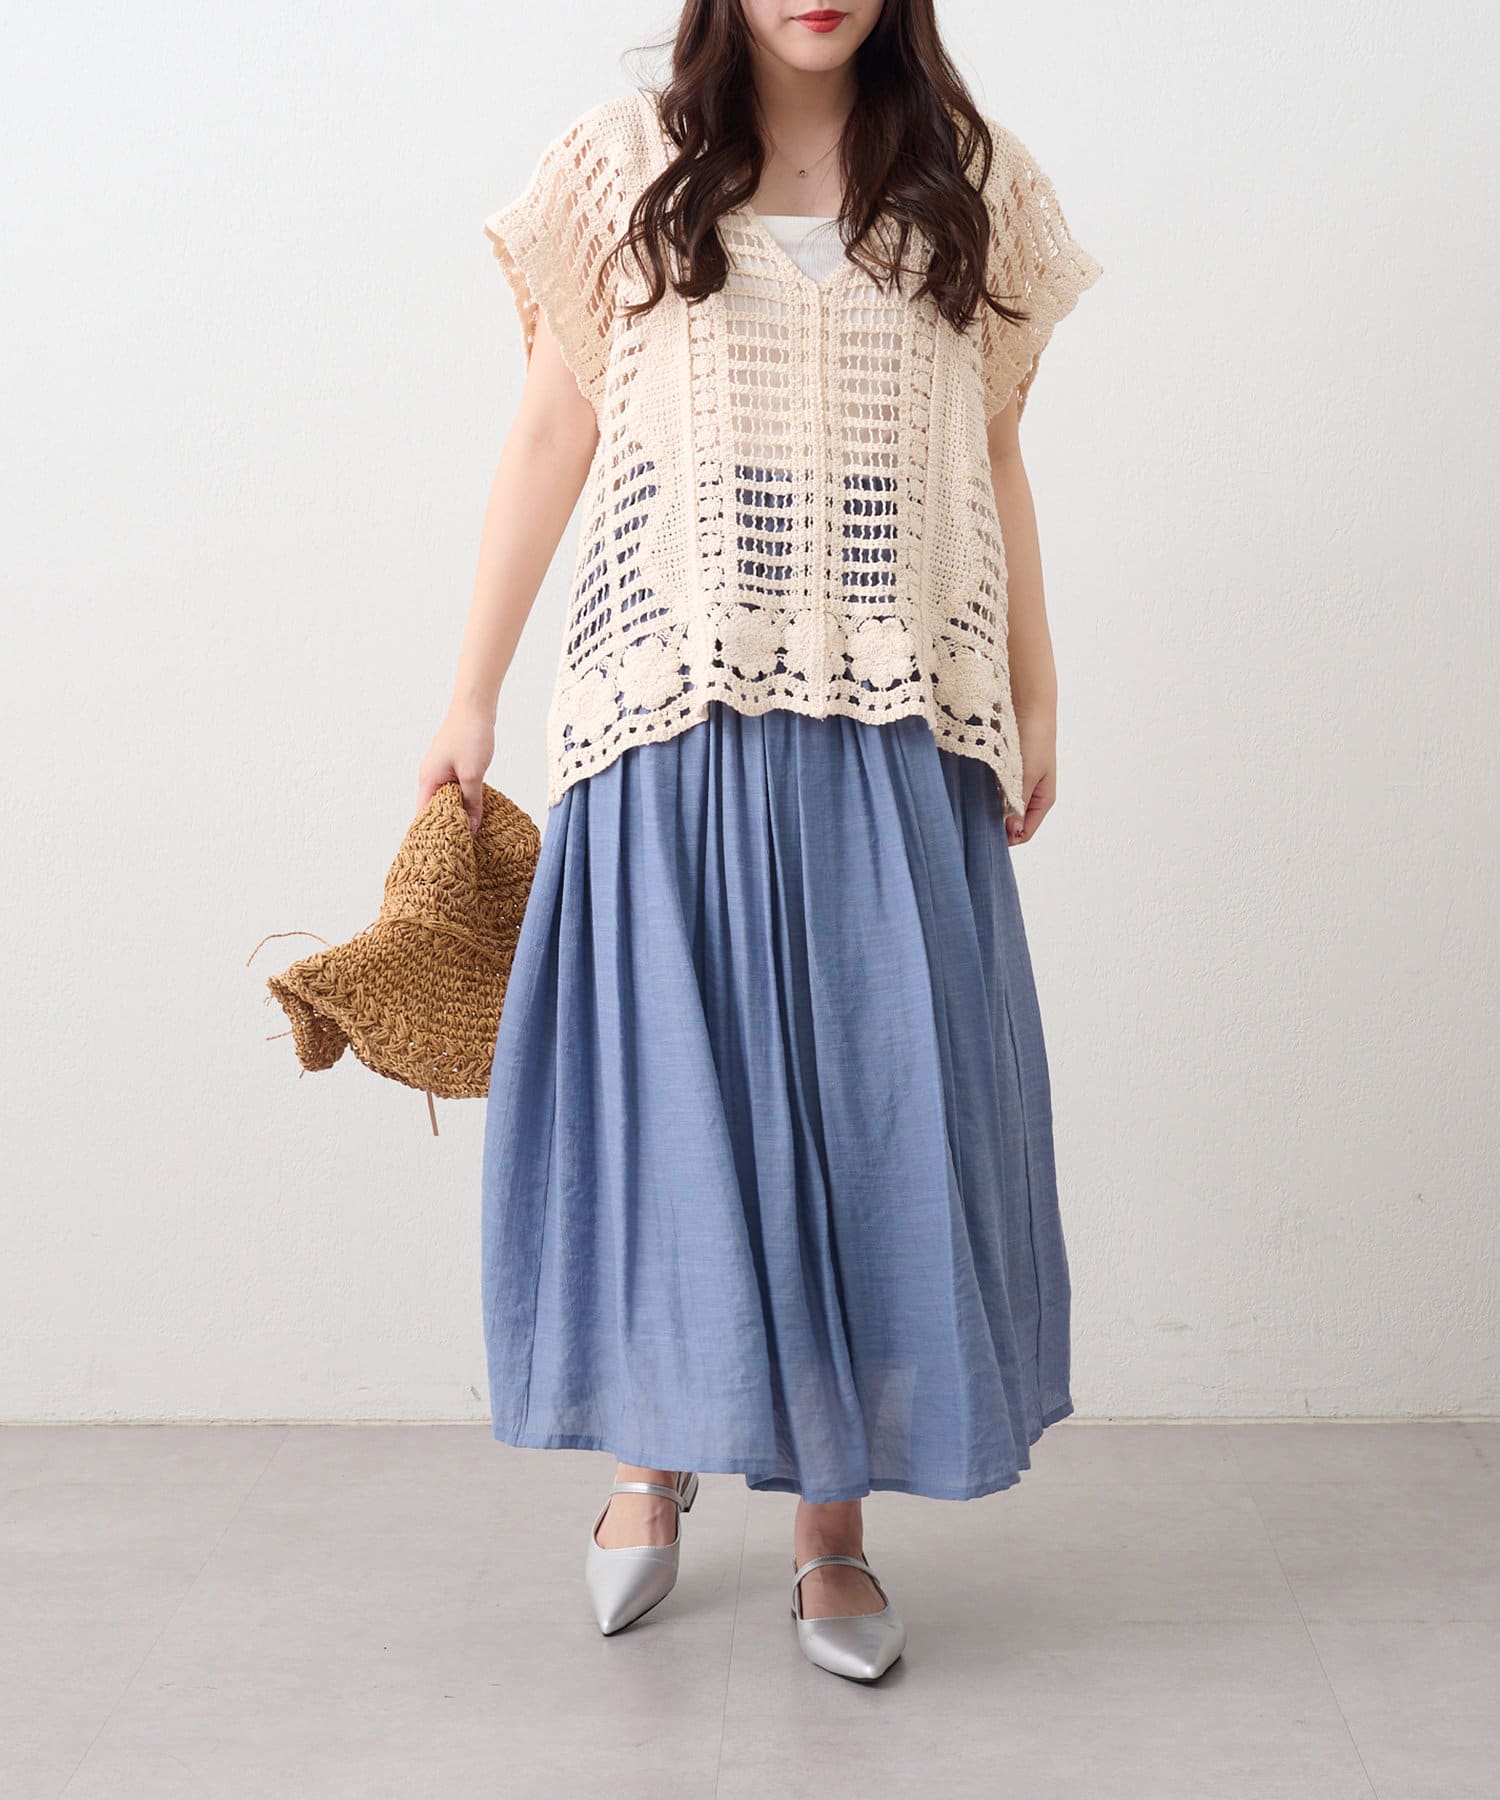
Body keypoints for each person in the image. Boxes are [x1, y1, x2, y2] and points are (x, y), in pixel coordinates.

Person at [418, 0, 1102, 1683]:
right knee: (677, 1109)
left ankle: (831, 1527)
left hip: (892, 722)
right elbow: (552, 432)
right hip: (670, 718)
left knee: (872, 1121)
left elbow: (994, 453)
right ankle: (648, 1466)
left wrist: (1035, 688)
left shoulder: (975, 184)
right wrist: (469, 695)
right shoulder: (621, 170)